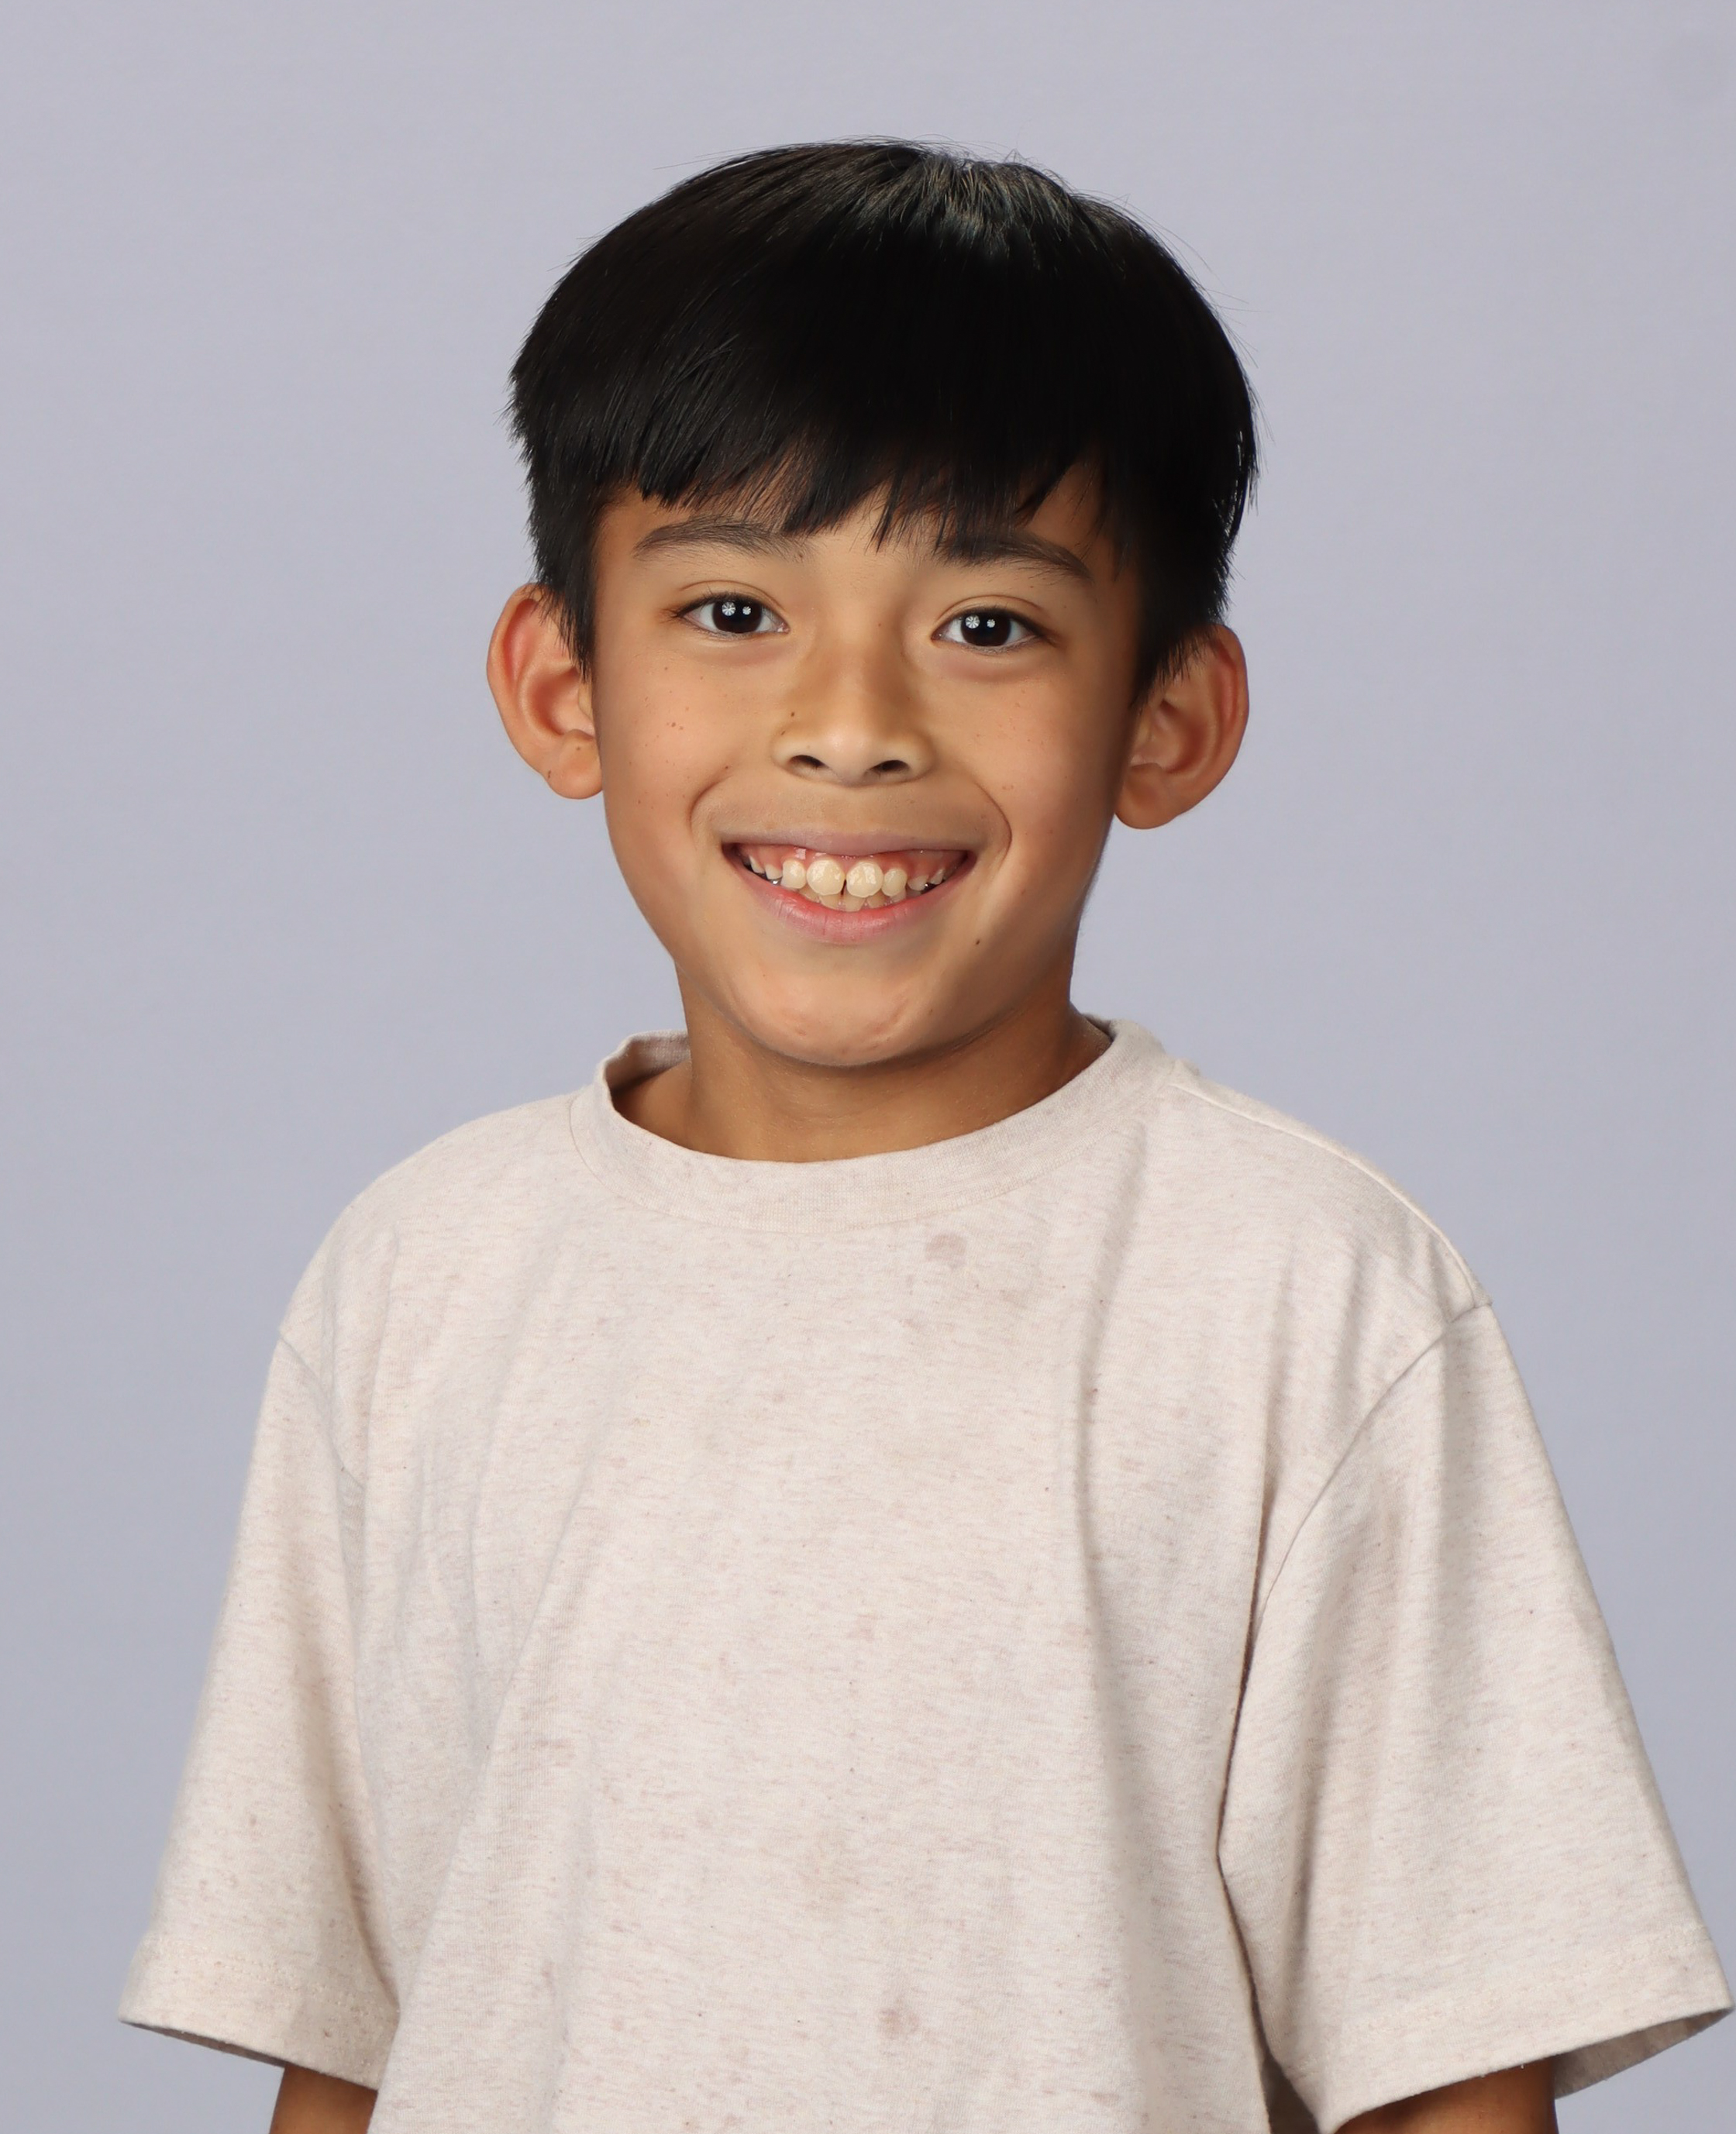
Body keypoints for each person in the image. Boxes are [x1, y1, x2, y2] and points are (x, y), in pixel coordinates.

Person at [120, 142, 1728, 2134]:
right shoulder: (423, 1276)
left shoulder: (1303, 1295)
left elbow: (1447, 2072)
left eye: (985, 625)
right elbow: (358, 2034)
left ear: (1168, 716)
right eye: (732, 608)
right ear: (561, 687)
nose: (852, 722)